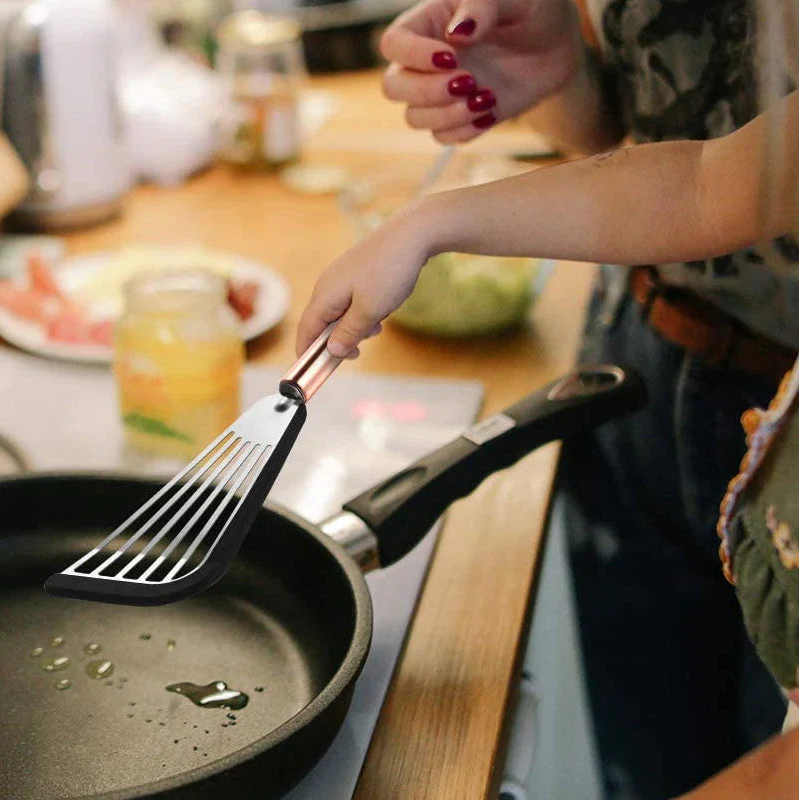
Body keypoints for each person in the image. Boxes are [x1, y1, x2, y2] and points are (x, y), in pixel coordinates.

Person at [295, 0, 799, 797]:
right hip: (638, 354)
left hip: (788, 445)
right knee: (644, 759)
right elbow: (639, 129)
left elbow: (714, 188)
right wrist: (560, 66)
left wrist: (432, 223)